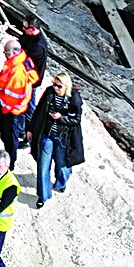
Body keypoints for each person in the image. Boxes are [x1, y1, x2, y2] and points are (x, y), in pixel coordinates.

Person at [31, 72, 85, 205]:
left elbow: (76, 119)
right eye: (54, 84)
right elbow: (39, 110)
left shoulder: (74, 98)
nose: (55, 88)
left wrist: (61, 118)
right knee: (43, 166)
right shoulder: (49, 93)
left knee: (62, 166)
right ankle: (42, 196)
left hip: (63, 138)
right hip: (47, 135)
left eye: (59, 86)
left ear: (66, 86)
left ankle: (61, 183)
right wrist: (31, 128)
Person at [0, 37, 40, 163]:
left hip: (10, 110)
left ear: (13, 52)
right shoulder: (22, 60)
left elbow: (14, 96)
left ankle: (10, 162)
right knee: (9, 137)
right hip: (14, 109)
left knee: (9, 138)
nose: (4, 54)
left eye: (6, 52)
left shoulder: (17, 70)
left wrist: (2, 106)